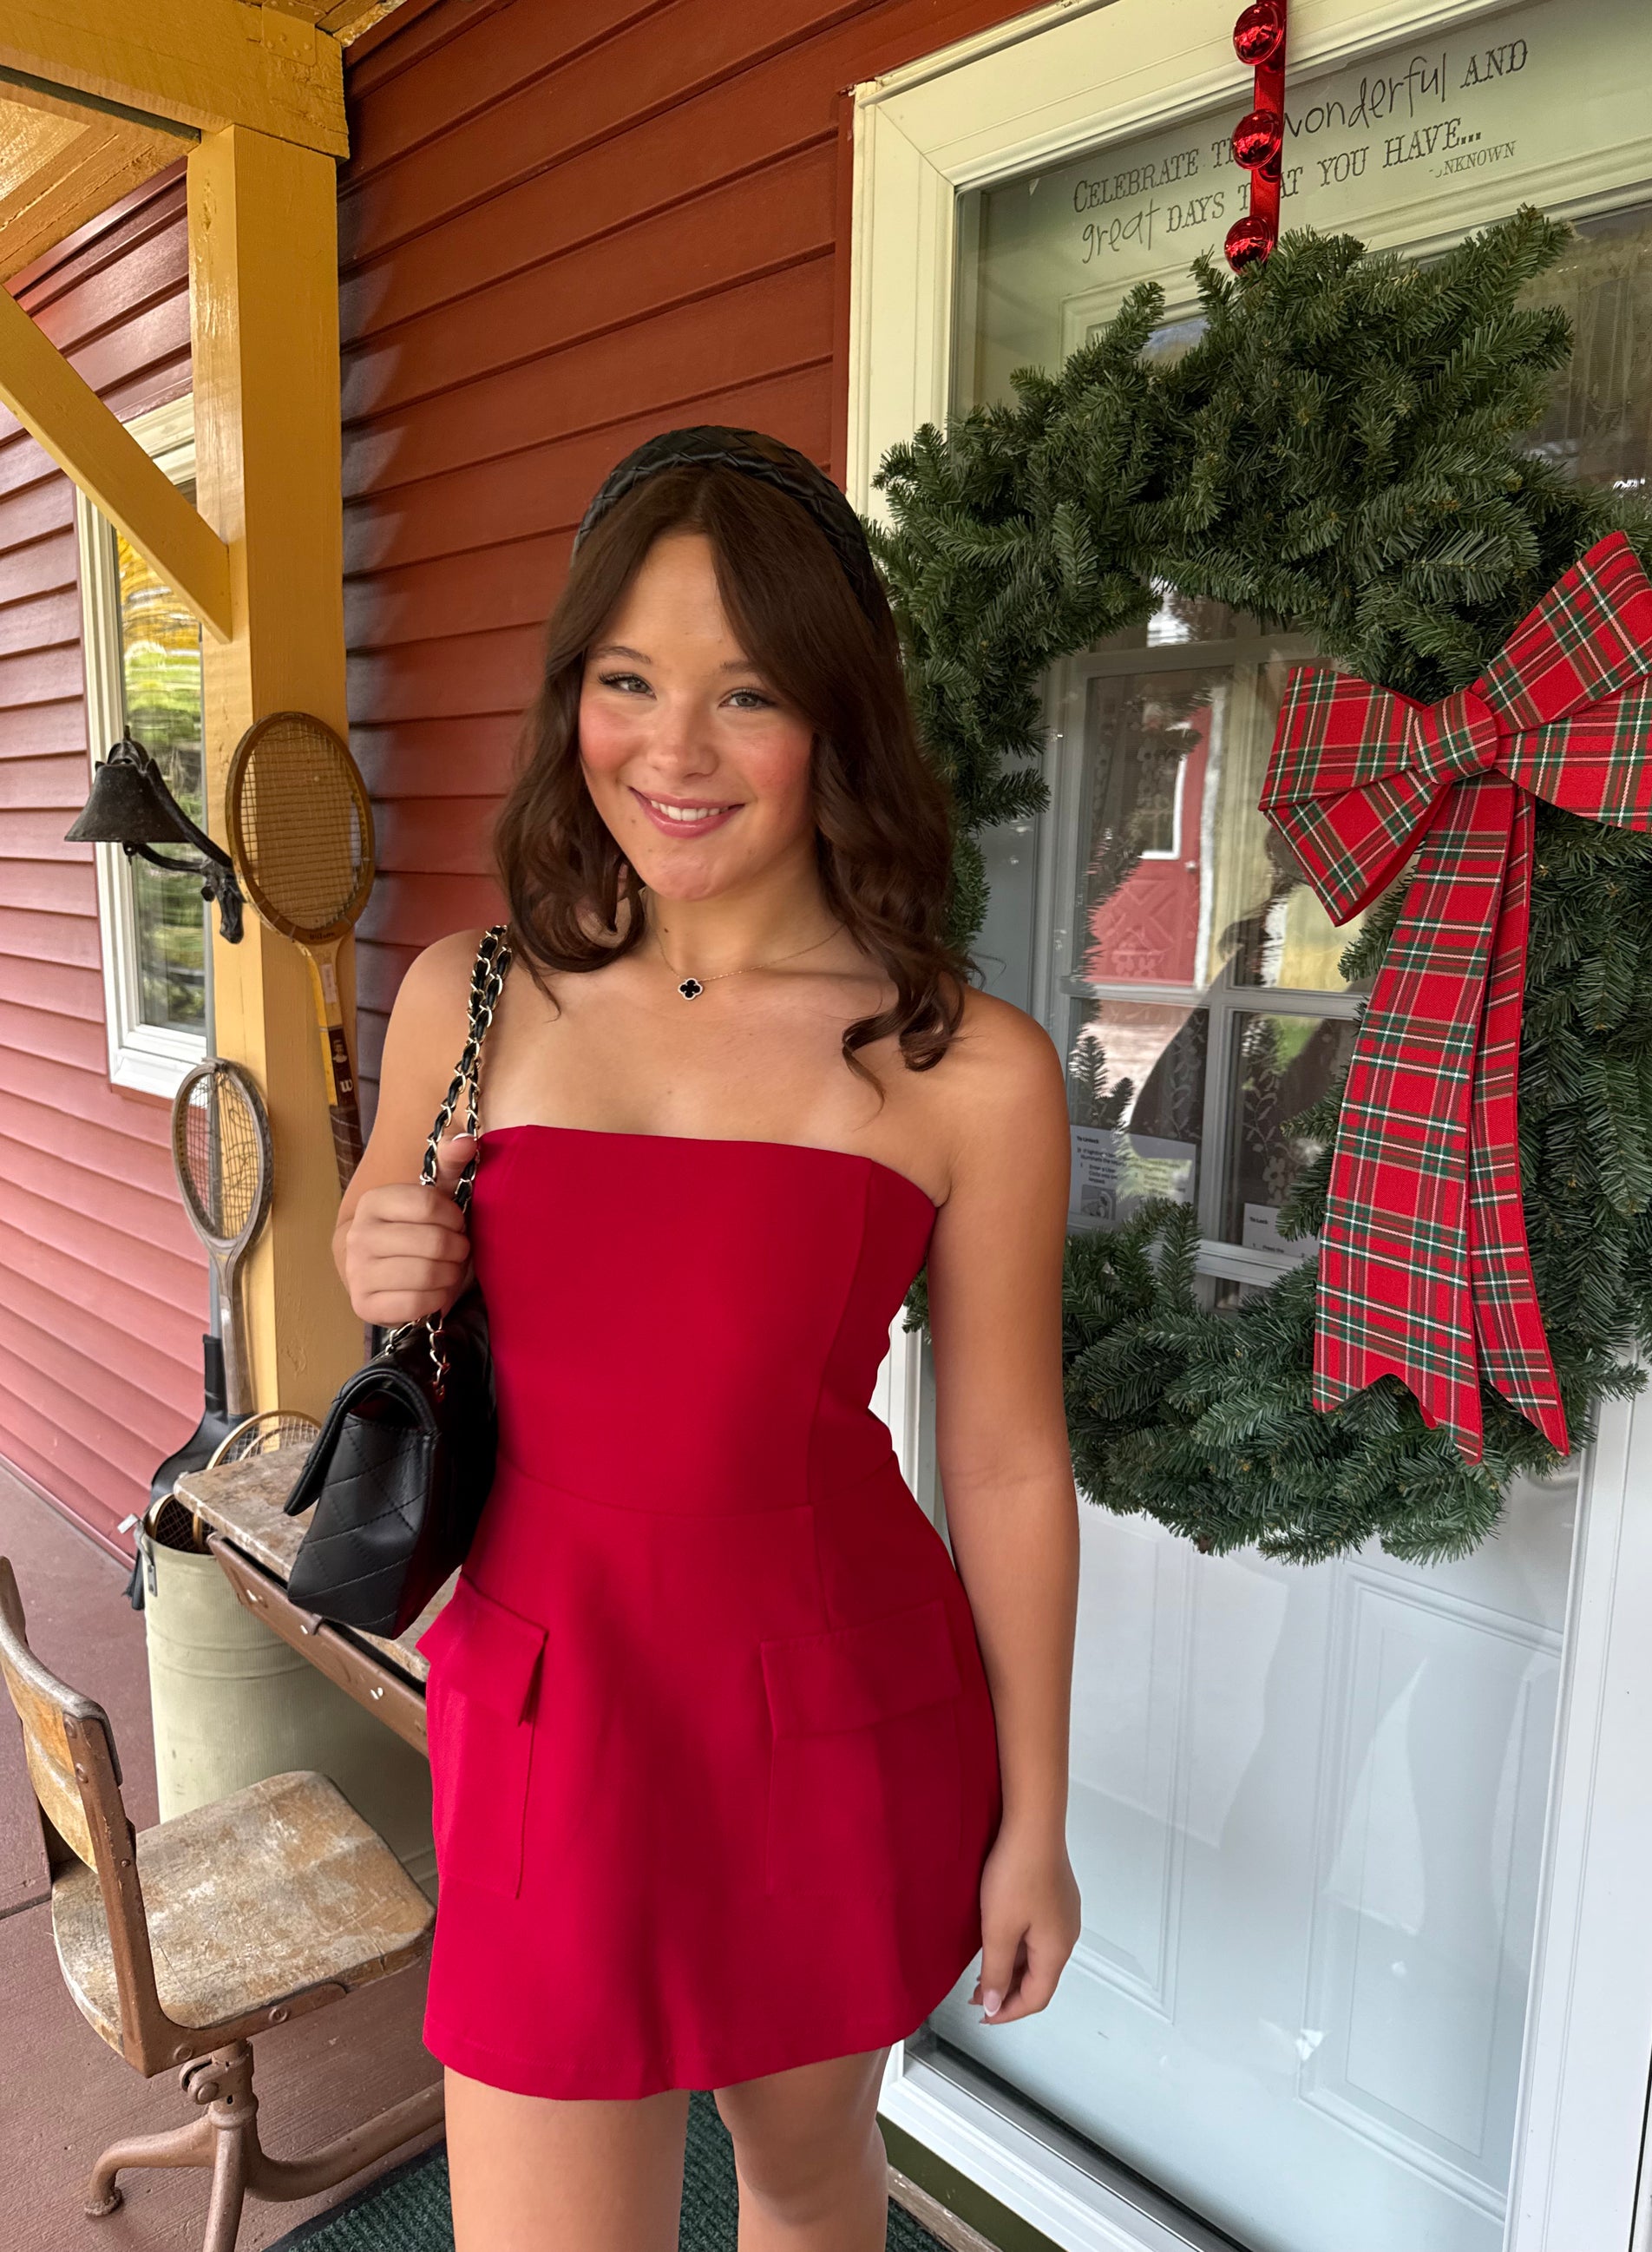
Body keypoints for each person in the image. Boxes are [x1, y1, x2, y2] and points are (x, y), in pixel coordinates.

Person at [331, 426, 1083, 2252]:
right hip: (548, 1705)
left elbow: (1003, 1459)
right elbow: (391, 1301)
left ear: (834, 715)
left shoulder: (964, 1065)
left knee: (808, 2187)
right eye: (626, 681)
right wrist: (375, 1250)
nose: (670, 752)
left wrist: (1037, 1818)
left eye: (743, 693)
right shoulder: (466, 995)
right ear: (571, 700)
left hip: (830, 1712)